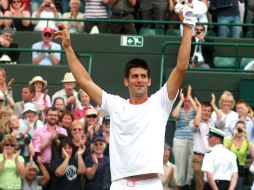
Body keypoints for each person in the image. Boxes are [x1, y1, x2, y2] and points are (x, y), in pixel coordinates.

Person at [55, 3, 196, 188]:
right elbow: (84, 82)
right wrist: (68, 48)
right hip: (120, 184)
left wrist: (187, 28)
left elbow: (181, 67)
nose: (139, 80)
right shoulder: (115, 104)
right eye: (135, 76)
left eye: (143, 76)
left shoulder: (160, 103)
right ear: (126, 81)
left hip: (151, 184)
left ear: (149, 81)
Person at [190, 97, 223, 190]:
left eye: (209, 111)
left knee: (211, 184)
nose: (206, 112)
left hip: (212, 157)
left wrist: (213, 104)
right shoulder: (194, 122)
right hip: (198, 158)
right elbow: (196, 124)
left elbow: (221, 119)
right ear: (200, 111)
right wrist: (199, 107)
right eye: (204, 110)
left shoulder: (213, 123)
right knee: (200, 185)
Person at [224, 120, 254, 190]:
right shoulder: (227, 139)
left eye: (242, 128)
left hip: (241, 169)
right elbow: (225, 152)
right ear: (234, 129)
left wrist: (246, 137)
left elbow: (253, 153)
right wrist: (233, 137)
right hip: (229, 168)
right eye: (238, 128)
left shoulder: (246, 142)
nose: (240, 130)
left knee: (239, 187)